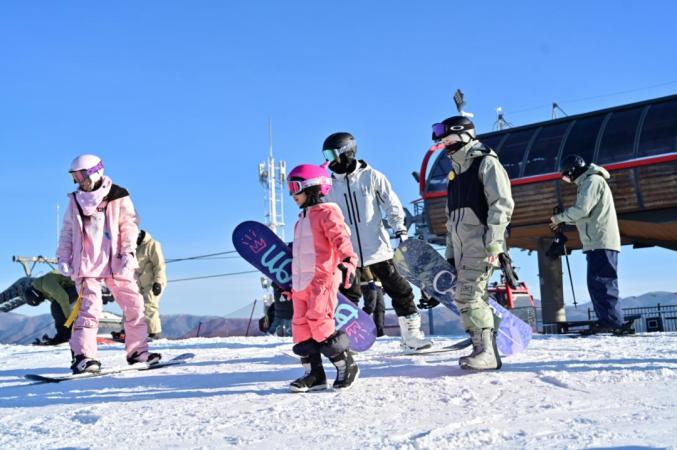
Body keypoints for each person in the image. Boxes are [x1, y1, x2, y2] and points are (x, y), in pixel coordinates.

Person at [322, 132, 432, 352]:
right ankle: (344, 341)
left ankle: (411, 337)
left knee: (400, 290)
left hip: (378, 248)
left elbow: (392, 203)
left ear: (347, 151)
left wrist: (400, 229)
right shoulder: (328, 184)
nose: (328, 160)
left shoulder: (372, 176)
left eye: (332, 154)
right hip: (347, 252)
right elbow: (324, 215)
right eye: (326, 155)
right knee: (347, 297)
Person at [56, 154, 161, 374]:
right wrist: (63, 257)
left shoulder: (118, 195)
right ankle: (84, 357)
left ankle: (138, 352)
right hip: (87, 265)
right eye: (74, 177)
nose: (79, 181)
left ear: (96, 172)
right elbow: (67, 232)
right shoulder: (75, 200)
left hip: (116, 262)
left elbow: (128, 226)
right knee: (89, 309)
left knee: (135, 306)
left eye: (82, 175)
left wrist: (128, 252)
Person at [432, 116, 514, 370]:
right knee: (468, 295)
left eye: (448, 140)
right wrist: (450, 253)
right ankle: (486, 342)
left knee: (468, 295)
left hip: (481, 243)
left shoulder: (486, 163)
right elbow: (452, 220)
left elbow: (501, 204)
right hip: (462, 246)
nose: (445, 146)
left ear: (463, 135)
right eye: (443, 142)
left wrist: (494, 244)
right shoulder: (456, 173)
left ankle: (486, 352)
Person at [287, 162, 360, 392]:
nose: (292, 194)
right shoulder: (300, 220)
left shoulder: (328, 213)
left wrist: (348, 261)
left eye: (295, 187)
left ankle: (346, 365)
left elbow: (341, 239)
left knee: (320, 322)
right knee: (300, 328)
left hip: (322, 280)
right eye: (289, 188)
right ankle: (314, 375)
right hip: (301, 284)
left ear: (313, 187)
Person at [549, 154, 627, 334]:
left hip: (600, 240)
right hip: (597, 240)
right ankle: (609, 319)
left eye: (566, 176)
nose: (568, 180)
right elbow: (585, 214)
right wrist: (564, 219)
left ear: (573, 171)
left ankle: (612, 321)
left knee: (602, 281)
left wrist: (558, 218)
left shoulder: (592, 181)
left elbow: (582, 209)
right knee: (598, 282)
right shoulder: (589, 182)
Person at [24, 271, 78, 345]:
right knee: (56, 307)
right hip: (76, 287)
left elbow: (63, 298)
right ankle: (65, 334)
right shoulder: (43, 289)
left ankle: (64, 336)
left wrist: (70, 319)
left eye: (40, 300)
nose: (42, 300)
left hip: (80, 286)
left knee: (56, 306)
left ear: (36, 295)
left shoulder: (46, 283)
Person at [135, 229, 167, 339]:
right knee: (132, 304)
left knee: (149, 305)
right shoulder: (133, 247)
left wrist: (158, 282)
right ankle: (128, 331)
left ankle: (153, 333)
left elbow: (159, 265)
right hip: (138, 284)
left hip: (152, 282)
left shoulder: (152, 244)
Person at [359, 267, 385, 337]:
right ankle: (358, 328)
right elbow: (364, 265)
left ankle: (379, 332)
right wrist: (370, 280)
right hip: (367, 283)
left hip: (378, 284)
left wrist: (383, 284)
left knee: (380, 308)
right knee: (370, 307)